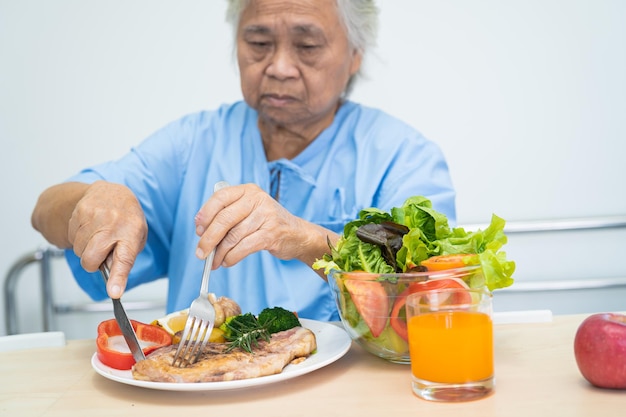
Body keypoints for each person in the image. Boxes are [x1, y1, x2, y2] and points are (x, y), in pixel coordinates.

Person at [31, 0, 456, 321]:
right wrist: (94, 200)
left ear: (355, 55)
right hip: (205, 389)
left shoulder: (401, 157)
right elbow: (46, 209)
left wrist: (306, 239)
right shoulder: (193, 143)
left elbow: (426, 285)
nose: (280, 66)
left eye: (307, 46)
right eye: (258, 44)